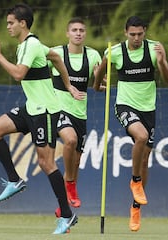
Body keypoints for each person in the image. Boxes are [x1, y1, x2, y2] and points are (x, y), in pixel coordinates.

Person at [0, 3, 84, 234]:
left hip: (46, 111)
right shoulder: (30, 45)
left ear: (23, 23)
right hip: (32, 108)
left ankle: (67, 216)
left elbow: (19, 74)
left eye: (11, 22)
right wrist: (68, 86)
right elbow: (57, 57)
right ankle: (14, 179)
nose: (7, 26)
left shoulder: (31, 44)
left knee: (45, 163)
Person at [94, 16, 168, 232]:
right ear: (125, 32)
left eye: (140, 34)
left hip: (148, 109)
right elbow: (101, 69)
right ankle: (135, 181)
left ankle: (136, 207)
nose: (136, 38)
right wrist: (97, 84)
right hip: (125, 105)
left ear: (145, 31)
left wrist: (163, 62)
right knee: (141, 136)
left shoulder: (154, 49)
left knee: (145, 158)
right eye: (132, 34)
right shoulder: (116, 51)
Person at [49, 17, 101, 216]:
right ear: (67, 33)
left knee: (76, 162)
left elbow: (100, 86)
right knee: (69, 140)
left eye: (81, 30)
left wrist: (99, 80)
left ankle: (63, 209)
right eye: (74, 30)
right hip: (59, 109)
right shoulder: (56, 53)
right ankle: (70, 183)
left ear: (85, 33)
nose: (78, 33)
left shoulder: (93, 55)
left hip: (80, 113)